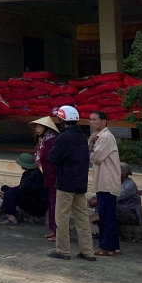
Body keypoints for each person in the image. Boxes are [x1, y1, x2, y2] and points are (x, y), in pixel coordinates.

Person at [47, 105, 95, 262]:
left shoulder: (64, 137)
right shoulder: (82, 136)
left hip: (66, 182)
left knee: (62, 217)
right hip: (80, 182)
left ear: (62, 120)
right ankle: (88, 251)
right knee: (82, 217)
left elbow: (53, 158)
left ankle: (63, 250)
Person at [89, 110, 122, 256]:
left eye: (94, 119)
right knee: (107, 215)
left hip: (107, 182)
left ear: (104, 121)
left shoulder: (106, 137)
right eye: (90, 119)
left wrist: (89, 144)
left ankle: (107, 246)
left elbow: (96, 157)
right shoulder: (102, 137)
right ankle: (112, 245)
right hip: (104, 181)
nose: (92, 122)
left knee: (106, 215)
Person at [31, 115, 59, 241]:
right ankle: (53, 229)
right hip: (48, 176)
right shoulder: (43, 140)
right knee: (52, 204)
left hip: (54, 176)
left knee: (55, 205)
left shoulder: (51, 141)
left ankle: (57, 231)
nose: (37, 128)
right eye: (36, 126)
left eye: (39, 126)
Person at [0, 153, 47, 223]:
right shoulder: (28, 173)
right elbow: (21, 188)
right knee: (5, 188)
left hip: (37, 203)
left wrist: (6, 194)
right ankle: (8, 212)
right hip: (29, 196)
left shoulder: (35, 175)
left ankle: (12, 217)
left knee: (10, 192)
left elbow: (23, 189)